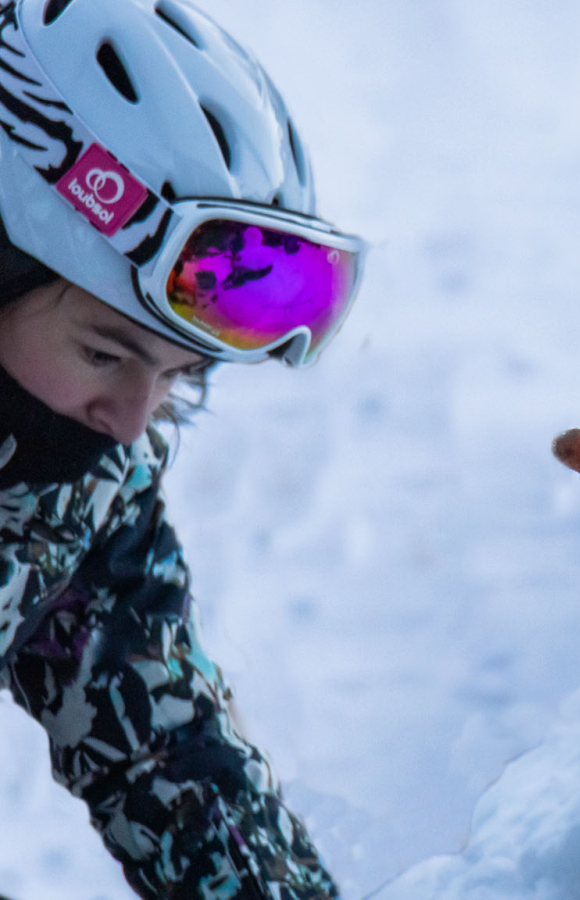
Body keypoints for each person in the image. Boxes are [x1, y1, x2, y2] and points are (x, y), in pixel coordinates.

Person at [0, 0, 362, 896]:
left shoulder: (73, 482)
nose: (130, 421)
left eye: (179, 377)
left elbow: (165, 746)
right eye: (103, 353)